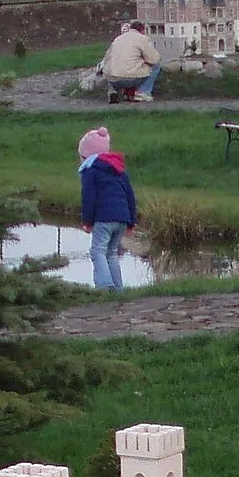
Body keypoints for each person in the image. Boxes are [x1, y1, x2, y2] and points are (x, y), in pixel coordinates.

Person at [78, 126, 137, 290]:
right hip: (122, 218)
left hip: (104, 218)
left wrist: (87, 221)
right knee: (111, 253)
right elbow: (130, 196)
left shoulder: (90, 171)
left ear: (86, 156)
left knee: (97, 251)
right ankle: (118, 288)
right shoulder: (119, 170)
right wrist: (131, 221)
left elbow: (89, 197)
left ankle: (104, 286)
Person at [102, 20, 162, 103]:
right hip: (130, 78)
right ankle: (143, 92)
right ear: (142, 30)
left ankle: (113, 91)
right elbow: (154, 59)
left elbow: (106, 59)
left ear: (130, 28)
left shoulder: (118, 39)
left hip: (112, 79)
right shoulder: (142, 38)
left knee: (113, 67)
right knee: (156, 66)